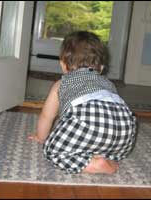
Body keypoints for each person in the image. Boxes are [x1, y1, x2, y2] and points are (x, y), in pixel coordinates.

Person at [28, 31, 136, 175]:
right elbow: (112, 109)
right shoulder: (108, 83)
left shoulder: (61, 83)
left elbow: (47, 116)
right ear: (101, 68)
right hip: (125, 129)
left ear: (63, 64)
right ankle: (104, 155)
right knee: (104, 138)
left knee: (52, 150)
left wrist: (41, 137)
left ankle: (92, 164)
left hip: (86, 120)